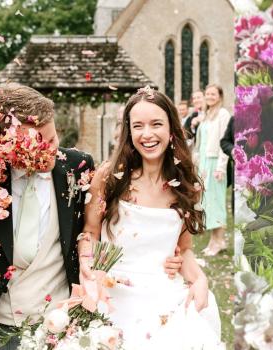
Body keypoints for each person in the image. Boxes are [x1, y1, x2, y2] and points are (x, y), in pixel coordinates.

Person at [0, 84, 183, 350]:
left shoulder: (78, 167)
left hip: (62, 328)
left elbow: (108, 226)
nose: (53, 150)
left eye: (53, 138)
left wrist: (167, 255)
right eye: (40, 145)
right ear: (7, 145)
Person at [78, 86, 223, 349]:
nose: (147, 134)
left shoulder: (186, 184)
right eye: (138, 126)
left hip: (163, 293)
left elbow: (185, 249)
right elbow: (90, 232)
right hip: (112, 291)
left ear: (171, 130)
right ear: (128, 131)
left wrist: (200, 279)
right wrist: (88, 268)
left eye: (156, 124)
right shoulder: (109, 177)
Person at [193, 84, 231, 256]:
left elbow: (225, 142)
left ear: (220, 96)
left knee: (217, 203)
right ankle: (213, 241)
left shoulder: (223, 115)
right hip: (204, 164)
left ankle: (220, 241)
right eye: (207, 93)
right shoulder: (207, 115)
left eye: (213, 94)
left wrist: (221, 168)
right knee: (208, 204)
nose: (209, 96)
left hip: (216, 163)